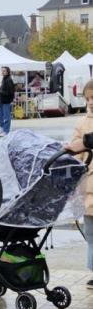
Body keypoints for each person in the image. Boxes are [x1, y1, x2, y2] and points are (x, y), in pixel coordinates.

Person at [65, 79, 93, 288]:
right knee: (91, 233)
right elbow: (74, 151)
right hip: (89, 188)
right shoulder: (83, 123)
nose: (91, 103)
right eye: (88, 99)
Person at [0, 66, 15, 137]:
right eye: (2, 71)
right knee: (0, 116)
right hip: (2, 100)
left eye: (4, 71)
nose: (2, 72)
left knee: (6, 116)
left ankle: (6, 130)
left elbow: (11, 92)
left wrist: (1, 92)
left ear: (8, 71)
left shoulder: (9, 80)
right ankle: (2, 128)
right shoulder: (4, 79)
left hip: (6, 101)